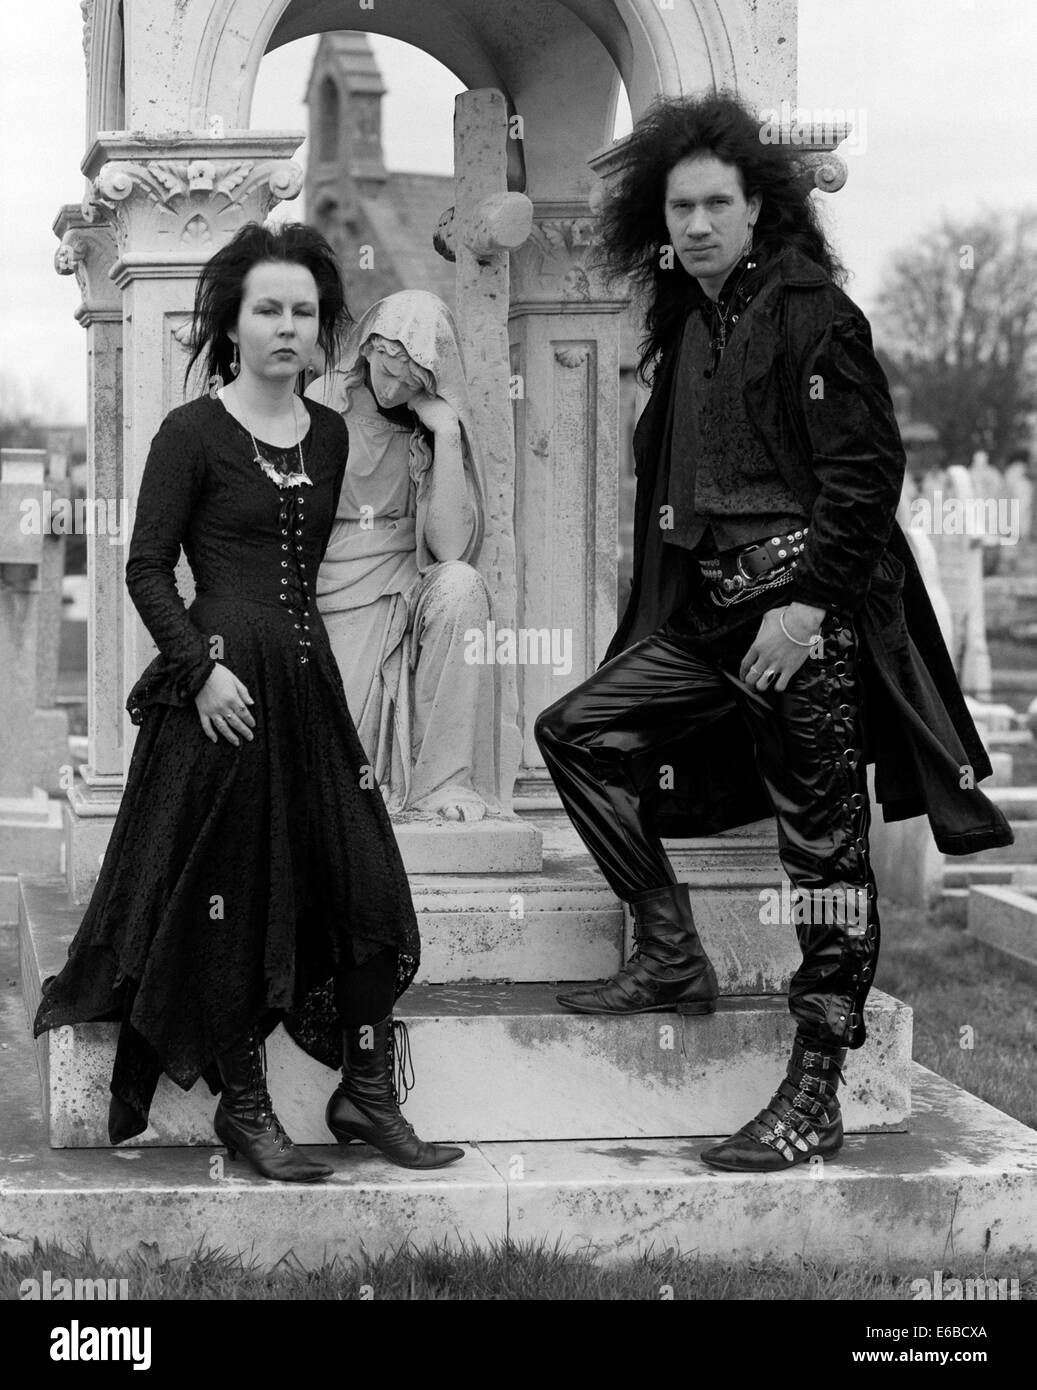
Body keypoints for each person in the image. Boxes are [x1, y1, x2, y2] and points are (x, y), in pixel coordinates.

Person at [534, 94, 1013, 1172]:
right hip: (712, 617)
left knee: (824, 857)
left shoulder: (813, 313)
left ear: (757, 209)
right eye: (681, 208)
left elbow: (865, 477)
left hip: (805, 622)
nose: (698, 223)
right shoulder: (689, 322)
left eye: (717, 204)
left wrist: (805, 612)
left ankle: (814, 1090)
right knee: (574, 730)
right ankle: (668, 950)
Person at [33, 222, 463, 1181]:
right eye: (268, 309)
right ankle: (247, 1107)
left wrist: (443, 431)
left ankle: (366, 1092)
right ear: (233, 322)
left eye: (303, 311)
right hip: (219, 702)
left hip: (306, 690)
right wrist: (199, 670)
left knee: (366, 886)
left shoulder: (332, 433)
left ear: (320, 328)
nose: (287, 326)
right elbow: (147, 568)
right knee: (230, 904)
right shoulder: (190, 433)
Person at [306, 291, 503, 822]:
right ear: (367, 349)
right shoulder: (324, 401)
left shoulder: (431, 425)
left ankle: (441, 783)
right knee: (336, 763)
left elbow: (450, 549)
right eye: (386, 370)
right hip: (332, 581)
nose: (392, 389)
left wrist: (446, 435)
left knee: (461, 587)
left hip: (405, 579)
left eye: (409, 381)